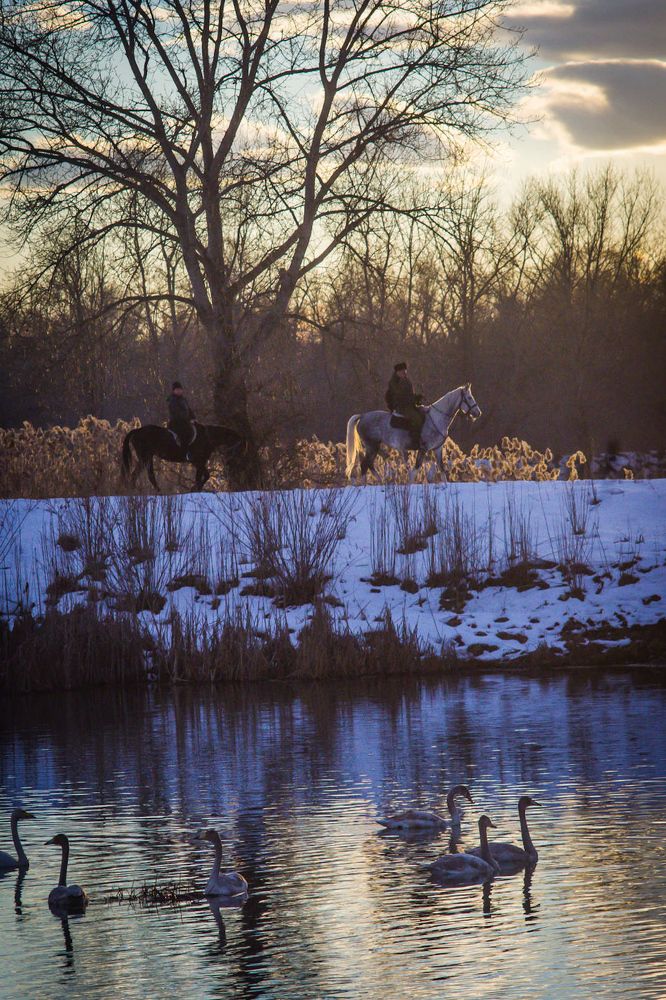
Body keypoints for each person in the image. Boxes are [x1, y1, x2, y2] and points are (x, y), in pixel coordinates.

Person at [385, 362, 425, 450]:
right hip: (401, 407)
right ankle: (414, 441)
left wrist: (417, 397)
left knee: (424, 413)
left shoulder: (406, 380)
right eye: (403, 372)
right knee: (416, 418)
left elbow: (410, 395)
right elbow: (401, 397)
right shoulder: (394, 382)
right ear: (397, 372)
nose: (405, 373)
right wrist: (413, 399)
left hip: (409, 405)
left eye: (405, 371)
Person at [167, 381, 196, 458]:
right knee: (185, 434)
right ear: (174, 391)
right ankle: (184, 453)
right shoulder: (172, 400)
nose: (179, 391)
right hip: (176, 423)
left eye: (180, 389)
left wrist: (193, 417)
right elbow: (176, 413)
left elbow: (188, 410)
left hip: (184, 421)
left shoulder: (183, 399)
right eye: (177, 389)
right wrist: (187, 418)